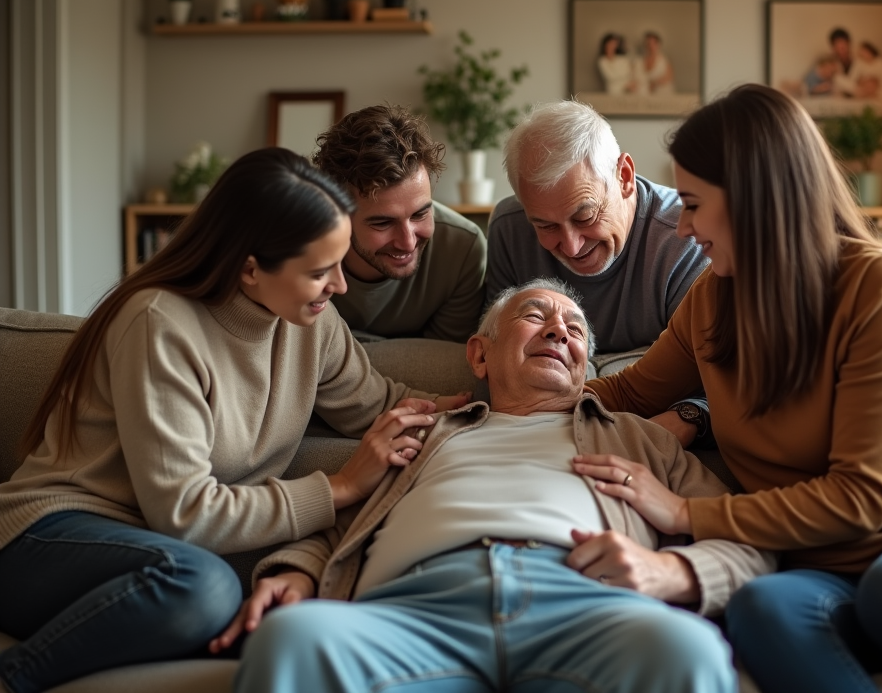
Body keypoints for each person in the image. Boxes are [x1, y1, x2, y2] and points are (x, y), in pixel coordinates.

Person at [577, 84, 882, 693]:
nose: (682, 228)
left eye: (692, 204)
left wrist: (685, 512)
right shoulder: (710, 302)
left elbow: (864, 497)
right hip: (823, 568)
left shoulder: (879, 286)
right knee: (760, 606)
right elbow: (626, 393)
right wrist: (493, 398)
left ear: (754, 201)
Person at [0, 147, 468, 693]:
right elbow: (185, 515)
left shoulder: (310, 321)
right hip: (47, 536)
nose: (340, 285)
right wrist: (339, 487)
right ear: (250, 267)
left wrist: (493, 405)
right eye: (320, 270)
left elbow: (379, 403)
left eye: (340, 262)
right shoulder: (159, 322)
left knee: (263, 624)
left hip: (149, 553)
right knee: (203, 587)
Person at [219, 278, 776, 693]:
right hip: (415, 610)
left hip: (585, 607)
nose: (559, 330)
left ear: (587, 368)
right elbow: (348, 521)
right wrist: (298, 569)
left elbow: (747, 538)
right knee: (290, 641)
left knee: (688, 650)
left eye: (575, 329)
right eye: (536, 316)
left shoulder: (640, 438)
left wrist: (673, 571)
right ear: (479, 354)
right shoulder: (428, 433)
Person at [487, 100, 709, 355]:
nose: (572, 246)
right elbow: (499, 352)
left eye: (585, 217)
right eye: (546, 226)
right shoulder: (509, 228)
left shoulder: (688, 234)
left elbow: (698, 372)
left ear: (624, 177)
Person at [312, 104, 487, 343]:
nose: (408, 242)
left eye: (420, 214)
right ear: (336, 214)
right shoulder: (298, 248)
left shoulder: (463, 249)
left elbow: (444, 366)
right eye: (383, 223)